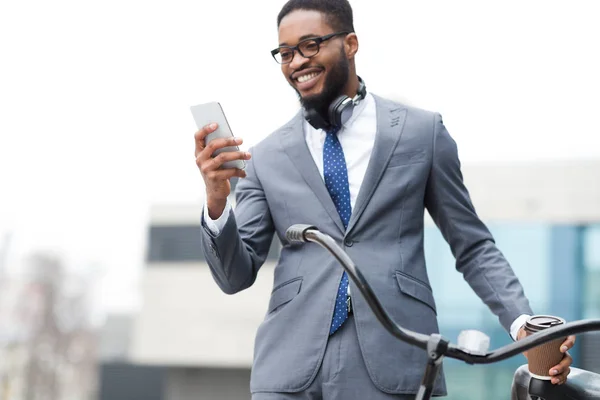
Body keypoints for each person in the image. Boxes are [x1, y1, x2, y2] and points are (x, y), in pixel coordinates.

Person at [193, 0, 575, 398]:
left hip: (396, 359)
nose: (296, 62)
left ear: (351, 43)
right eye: (286, 53)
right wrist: (217, 201)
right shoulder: (266, 156)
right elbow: (234, 276)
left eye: (310, 45)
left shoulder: (421, 133)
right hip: (287, 371)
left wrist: (524, 326)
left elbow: (473, 246)